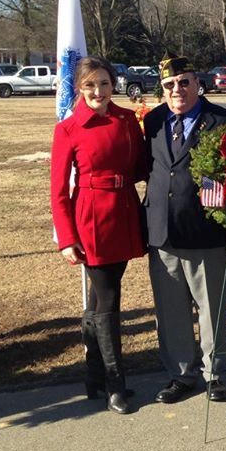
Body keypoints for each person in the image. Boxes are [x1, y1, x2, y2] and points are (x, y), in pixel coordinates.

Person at [50, 56, 147, 415]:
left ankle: (92, 375)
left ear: (113, 85)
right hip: (91, 219)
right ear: (79, 88)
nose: (98, 91)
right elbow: (58, 190)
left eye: (104, 83)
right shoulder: (69, 128)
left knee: (97, 300)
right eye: (90, 85)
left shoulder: (125, 120)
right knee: (108, 299)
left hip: (124, 211)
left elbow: (141, 165)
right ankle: (114, 382)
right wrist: (66, 237)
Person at [143, 55, 226, 404]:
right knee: (170, 312)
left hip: (207, 233)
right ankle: (181, 375)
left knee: (212, 309)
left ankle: (215, 374)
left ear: (198, 84)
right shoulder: (153, 121)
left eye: (184, 82)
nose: (177, 90)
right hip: (163, 233)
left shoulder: (223, 122)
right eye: (169, 85)